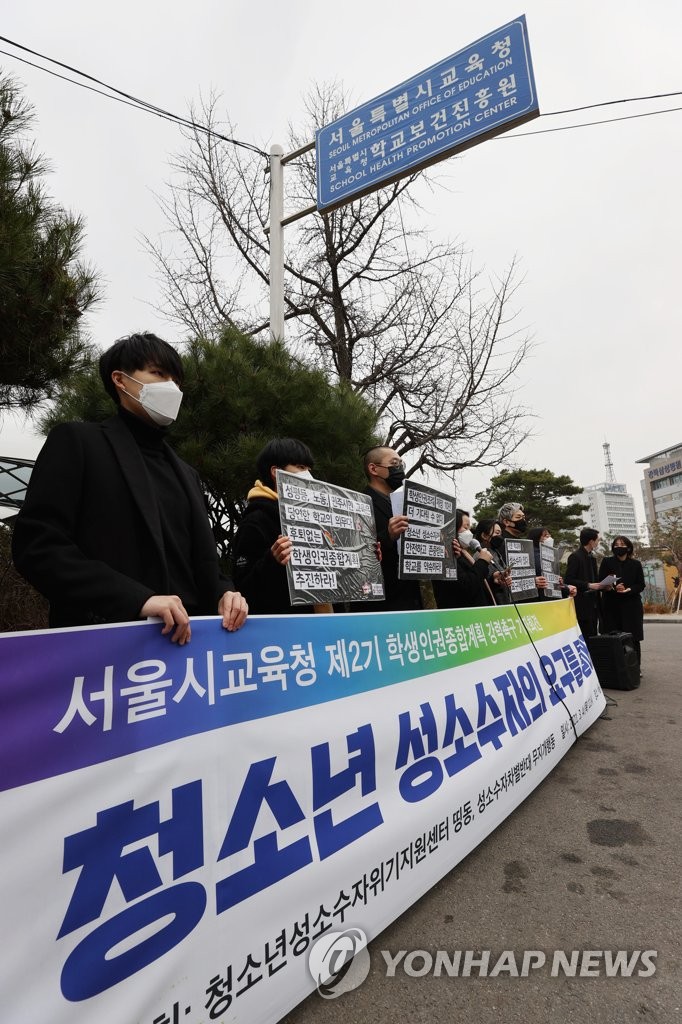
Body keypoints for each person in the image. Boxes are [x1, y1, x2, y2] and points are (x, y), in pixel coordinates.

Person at [12, 332, 248, 644]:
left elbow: (199, 566)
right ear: (121, 380)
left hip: (194, 648)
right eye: (159, 374)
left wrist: (225, 593)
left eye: (176, 380)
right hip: (109, 649)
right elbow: (38, 547)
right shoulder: (79, 443)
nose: (172, 388)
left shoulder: (187, 474)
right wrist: (138, 599)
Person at [232, 438, 317, 614]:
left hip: (325, 624)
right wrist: (272, 560)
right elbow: (243, 588)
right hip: (286, 631)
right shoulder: (255, 521)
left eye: (309, 469)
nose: (308, 475)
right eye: (301, 467)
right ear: (275, 472)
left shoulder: (313, 517)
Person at [359, 446, 422, 612]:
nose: (400, 468)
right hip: (382, 604)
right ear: (373, 469)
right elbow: (357, 552)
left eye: (401, 464)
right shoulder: (359, 504)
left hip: (411, 598)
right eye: (394, 463)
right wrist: (387, 535)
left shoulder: (403, 504)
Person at [433, 509, 498, 609]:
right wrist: (482, 562)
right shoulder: (445, 555)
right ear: (451, 529)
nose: (469, 532)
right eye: (465, 527)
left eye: (469, 528)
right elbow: (467, 586)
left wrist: (494, 579)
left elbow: (477, 583)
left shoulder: (463, 554)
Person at [599, 536, 645, 670]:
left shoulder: (635, 564)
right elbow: (602, 581)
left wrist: (628, 589)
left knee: (633, 638)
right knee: (613, 636)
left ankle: (635, 667)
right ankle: (616, 668)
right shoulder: (607, 562)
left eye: (622, 544)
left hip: (631, 606)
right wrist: (613, 587)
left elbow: (640, 584)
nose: (619, 546)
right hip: (611, 606)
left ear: (628, 547)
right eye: (616, 544)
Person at [564, 527, 605, 638]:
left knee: (593, 635)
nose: (598, 543)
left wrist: (603, 585)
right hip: (582, 604)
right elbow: (568, 579)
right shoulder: (575, 556)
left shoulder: (592, 557)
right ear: (591, 541)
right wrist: (588, 585)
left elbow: (594, 579)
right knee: (585, 636)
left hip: (594, 604)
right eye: (597, 540)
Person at [498, 501, 547, 594]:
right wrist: (532, 581)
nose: (523, 521)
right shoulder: (501, 542)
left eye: (523, 517)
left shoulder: (522, 542)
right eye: (518, 517)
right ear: (506, 522)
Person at [527, 526, 577, 600]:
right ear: (536, 538)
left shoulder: (551, 555)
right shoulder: (530, 555)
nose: (549, 537)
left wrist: (564, 586)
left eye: (549, 535)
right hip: (537, 600)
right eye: (545, 535)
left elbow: (552, 581)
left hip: (551, 599)